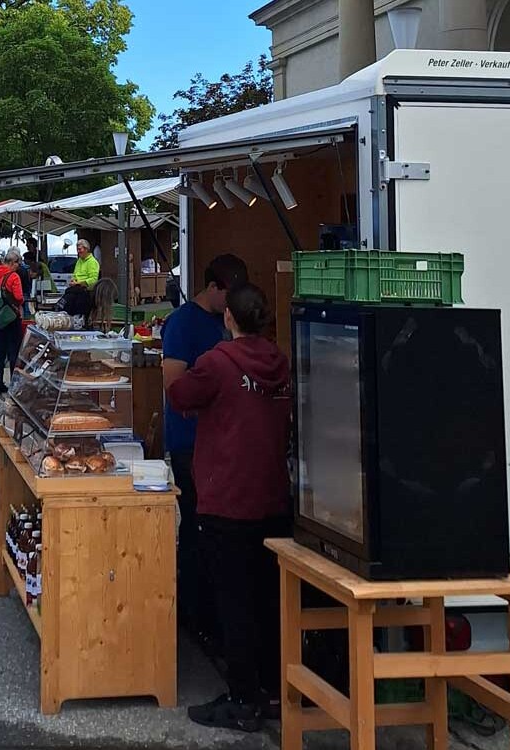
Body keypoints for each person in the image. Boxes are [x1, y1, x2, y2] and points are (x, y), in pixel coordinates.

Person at [166, 283, 292, 733]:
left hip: (227, 496)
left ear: (229, 319)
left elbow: (179, 394)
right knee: (269, 596)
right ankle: (275, 689)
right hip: (274, 495)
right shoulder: (280, 361)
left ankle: (242, 698)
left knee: (234, 601)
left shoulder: (218, 362)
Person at [161, 253, 248, 648]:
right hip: (189, 442)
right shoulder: (181, 323)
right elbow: (173, 385)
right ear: (212, 287)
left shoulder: (227, 322)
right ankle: (192, 613)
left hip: (225, 444)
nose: (229, 309)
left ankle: (209, 613)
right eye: (226, 298)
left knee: (216, 530)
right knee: (197, 525)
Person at [0, 249, 25, 395]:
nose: (18, 265)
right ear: (11, 262)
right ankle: (14, 385)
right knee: (13, 352)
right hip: (11, 318)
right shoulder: (13, 277)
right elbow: (19, 297)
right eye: (17, 263)